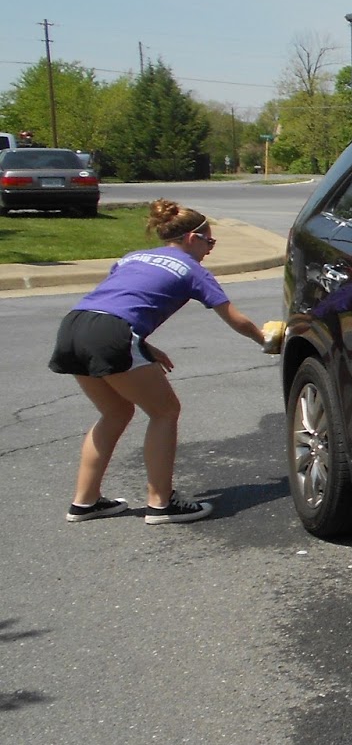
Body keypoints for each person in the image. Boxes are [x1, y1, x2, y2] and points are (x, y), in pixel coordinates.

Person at [49, 198, 272, 525]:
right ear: (192, 238)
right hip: (112, 333)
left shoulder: (131, 257)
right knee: (165, 411)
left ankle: (85, 502)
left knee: (116, 411)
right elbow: (235, 319)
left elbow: (120, 301)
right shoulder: (193, 269)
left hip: (74, 325)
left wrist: (144, 345)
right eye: (209, 241)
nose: (210, 249)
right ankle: (161, 502)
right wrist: (266, 340)